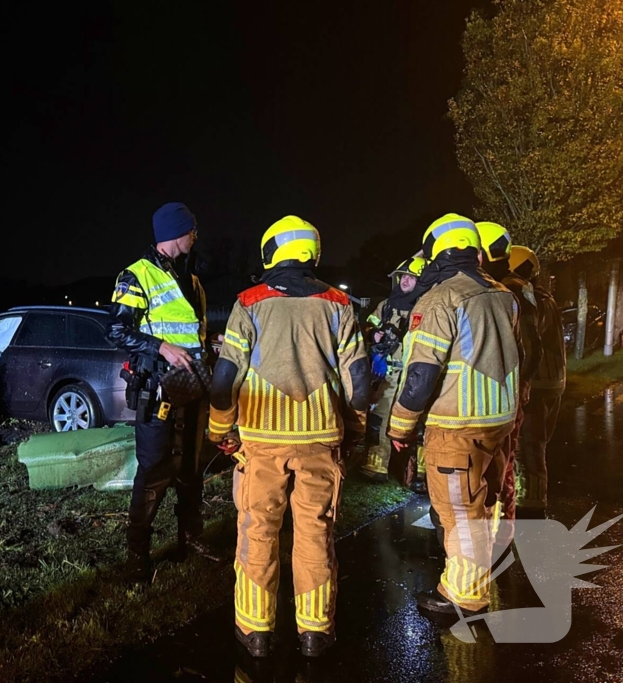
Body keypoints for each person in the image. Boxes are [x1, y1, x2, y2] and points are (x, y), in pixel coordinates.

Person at [207, 216, 370, 657]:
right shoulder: (339, 304)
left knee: (258, 530)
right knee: (315, 532)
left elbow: (224, 381)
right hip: (320, 440)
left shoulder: (249, 303)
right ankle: (314, 632)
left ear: (271, 253)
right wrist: (353, 432)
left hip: (260, 442)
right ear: (312, 252)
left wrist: (221, 431)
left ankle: (257, 632)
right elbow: (359, 383)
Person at [387, 213, 520, 617]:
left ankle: (463, 596)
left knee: (460, 512)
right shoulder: (503, 294)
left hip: (457, 423)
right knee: (484, 501)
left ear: (435, 252)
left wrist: (400, 428)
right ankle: (479, 573)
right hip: (499, 418)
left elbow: (420, 376)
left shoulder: (441, 298)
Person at [107, 202, 209, 583]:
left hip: (192, 385)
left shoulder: (192, 279)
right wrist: (160, 347)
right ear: (177, 233)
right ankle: (138, 555)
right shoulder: (136, 276)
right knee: (153, 470)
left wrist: (206, 344)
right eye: (192, 230)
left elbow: (191, 331)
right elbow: (116, 330)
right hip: (157, 387)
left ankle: (190, 540)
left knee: (190, 468)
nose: (196, 237)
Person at [475, 222, 542, 549]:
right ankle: (497, 529)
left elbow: (530, 349)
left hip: (503, 398)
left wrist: (514, 384)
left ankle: (497, 535)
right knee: (501, 462)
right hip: (506, 395)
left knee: (501, 465)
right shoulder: (510, 288)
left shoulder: (507, 291)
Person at [510, 246, 565, 516]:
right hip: (552, 381)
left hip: (536, 382)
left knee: (528, 446)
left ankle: (531, 505)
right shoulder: (545, 297)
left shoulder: (529, 298)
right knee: (536, 442)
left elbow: (526, 341)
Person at [362, 255, 426, 483]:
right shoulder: (386, 306)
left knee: (417, 423)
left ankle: (420, 472)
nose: (405, 281)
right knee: (379, 419)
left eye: (411, 277)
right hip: (387, 374)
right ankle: (376, 465)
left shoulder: (427, 307)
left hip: (415, 376)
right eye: (403, 277)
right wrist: (373, 334)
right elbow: (369, 325)